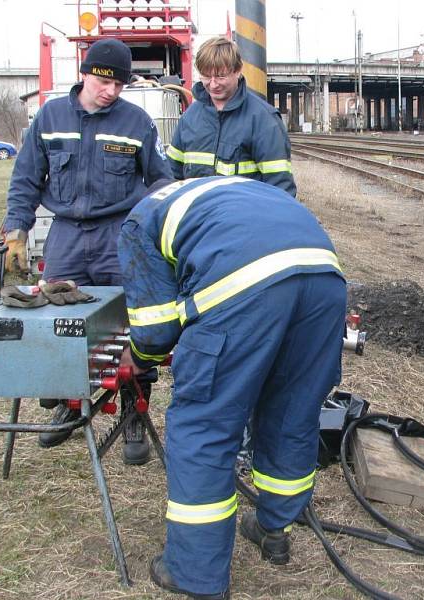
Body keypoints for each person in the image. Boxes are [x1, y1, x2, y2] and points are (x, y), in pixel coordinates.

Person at [117, 176, 346, 599]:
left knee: (203, 425)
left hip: (246, 286)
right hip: (324, 279)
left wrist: (139, 358)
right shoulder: (223, 191)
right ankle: (273, 529)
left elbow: (153, 330)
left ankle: (194, 574)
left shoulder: (137, 223)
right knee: (291, 410)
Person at [3, 38, 173, 464]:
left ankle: (134, 413)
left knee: (128, 324)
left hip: (118, 236)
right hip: (65, 237)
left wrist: (149, 230)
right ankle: (70, 403)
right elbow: (26, 178)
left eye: (119, 84)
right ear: (84, 73)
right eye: (103, 80)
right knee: (61, 323)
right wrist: (16, 230)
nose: (110, 91)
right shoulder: (50, 117)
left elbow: (161, 181)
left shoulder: (138, 123)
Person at [166, 37, 296, 197]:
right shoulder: (189, 118)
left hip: (243, 220)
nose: (213, 84)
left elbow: (280, 190)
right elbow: (171, 176)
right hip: (198, 219)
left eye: (221, 76)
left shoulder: (264, 120)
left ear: (238, 70)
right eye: (206, 76)